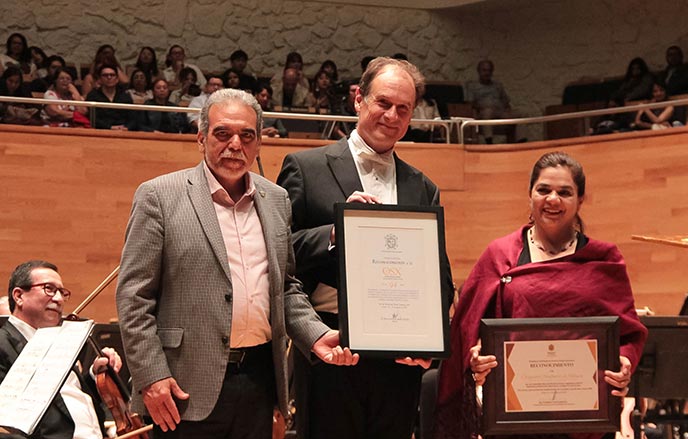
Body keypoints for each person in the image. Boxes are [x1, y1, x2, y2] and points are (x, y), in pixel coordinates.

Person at [115, 88, 357, 439]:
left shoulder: (276, 199)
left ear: (259, 143)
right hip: (182, 388)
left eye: (247, 135)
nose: (235, 145)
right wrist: (151, 376)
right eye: (222, 133)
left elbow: (285, 287)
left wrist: (316, 334)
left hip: (257, 382)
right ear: (201, 138)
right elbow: (134, 298)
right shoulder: (158, 196)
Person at [277, 56, 454, 439]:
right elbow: (279, 254)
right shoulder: (305, 167)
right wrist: (336, 232)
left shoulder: (423, 187)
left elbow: (439, 277)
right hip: (331, 346)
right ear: (358, 99)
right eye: (383, 103)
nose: (392, 115)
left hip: (399, 355)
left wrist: (430, 345)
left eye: (403, 109)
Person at [434, 151, 648, 439]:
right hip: (513, 416)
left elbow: (629, 335)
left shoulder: (604, 260)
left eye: (565, 192)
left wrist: (623, 363)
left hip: (587, 415)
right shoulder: (500, 256)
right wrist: (476, 357)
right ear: (530, 195)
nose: (553, 200)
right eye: (543, 190)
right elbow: (467, 330)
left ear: (580, 200)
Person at [1, 260, 122, 439]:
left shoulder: (59, 343)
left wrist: (95, 377)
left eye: (62, 292)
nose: (58, 299)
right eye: (49, 289)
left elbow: (69, 398)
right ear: (19, 296)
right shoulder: (3, 344)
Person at [466, 59, 516, 143]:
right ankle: (489, 141)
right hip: (483, 112)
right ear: (479, 71)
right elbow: (469, 104)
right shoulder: (472, 86)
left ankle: (522, 142)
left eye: (489, 70)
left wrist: (507, 110)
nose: (487, 73)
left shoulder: (498, 85)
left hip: (500, 112)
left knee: (521, 114)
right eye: (484, 70)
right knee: (488, 112)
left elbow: (506, 102)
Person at [85, 64, 133, 130]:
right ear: (100, 79)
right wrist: (110, 127)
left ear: (117, 79)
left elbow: (132, 117)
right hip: (101, 132)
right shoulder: (93, 96)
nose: (109, 77)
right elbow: (92, 118)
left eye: (112, 75)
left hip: (124, 131)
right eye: (105, 75)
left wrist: (127, 128)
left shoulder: (125, 95)